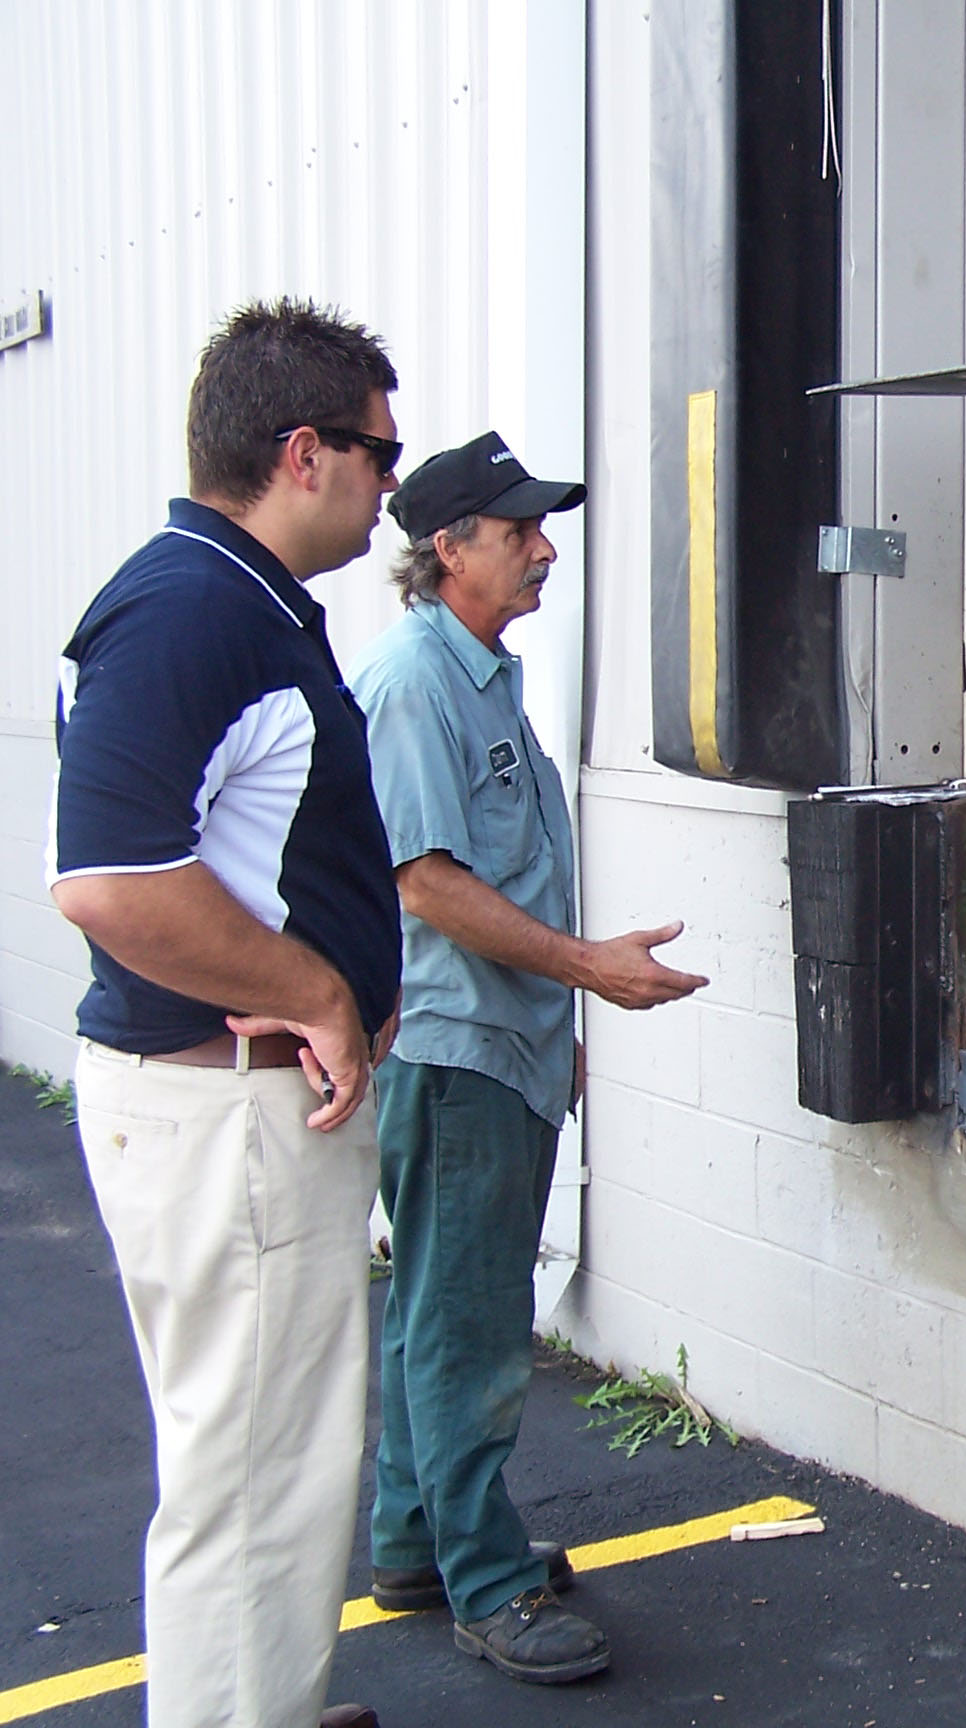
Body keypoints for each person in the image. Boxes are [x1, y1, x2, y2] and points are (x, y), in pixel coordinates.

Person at [48, 300, 405, 1728]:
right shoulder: (194, 606)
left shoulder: (223, 597)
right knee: (257, 1485)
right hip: (231, 1108)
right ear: (303, 450)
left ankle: (260, 1700)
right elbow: (113, 884)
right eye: (382, 453)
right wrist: (316, 992)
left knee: (257, 1466)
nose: (394, 483)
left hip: (232, 1105)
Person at [348, 432, 707, 1685]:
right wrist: (587, 970)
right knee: (469, 1327)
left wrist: (568, 1016)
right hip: (455, 1056)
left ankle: (416, 1544)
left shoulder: (483, 675)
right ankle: (489, 1586)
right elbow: (430, 884)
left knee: (438, 1311)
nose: (546, 548)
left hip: (502, 1045)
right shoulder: (413, 685)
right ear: (449, 549)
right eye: (519, 531)